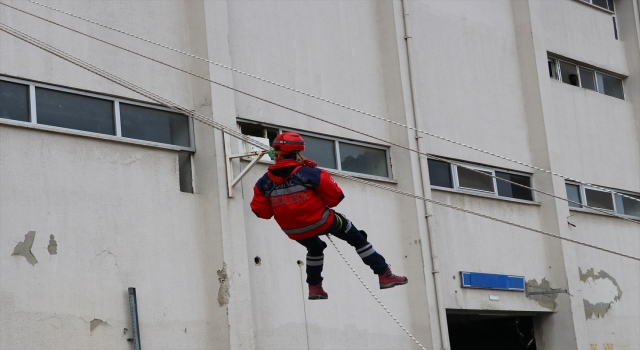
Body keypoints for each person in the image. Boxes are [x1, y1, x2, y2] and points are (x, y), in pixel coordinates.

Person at [250, 132, 408, 300]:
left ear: (276, 152)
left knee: (315, 248)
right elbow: (335, 198)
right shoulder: (311, 173)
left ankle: (314, 287)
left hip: (293, 230)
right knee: (357, 238)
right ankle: (384, 274)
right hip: (322, 221)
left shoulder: (263, 182)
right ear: (298, 151)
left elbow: (262, 212)